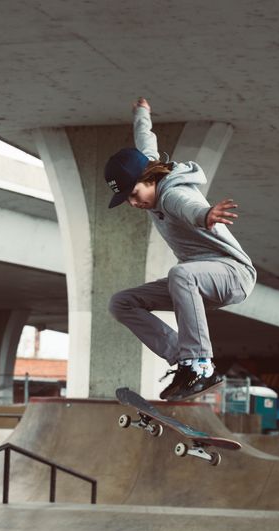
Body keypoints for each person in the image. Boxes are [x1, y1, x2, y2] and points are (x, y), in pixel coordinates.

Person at [105, 97, 256, 400]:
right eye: (128, 200)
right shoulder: (147, 168)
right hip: (200, 279)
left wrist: (206, 215)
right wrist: (142, 114)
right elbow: (145, 141)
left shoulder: (172, 194)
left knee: (181, 274)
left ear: (148, 178)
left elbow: (188, 208)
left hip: (233, 274)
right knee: (121, 303)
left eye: (134, 195)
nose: (135, 204)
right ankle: (183, 361)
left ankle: (200, 364)